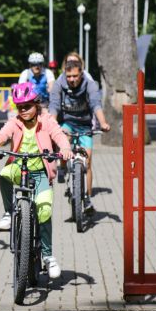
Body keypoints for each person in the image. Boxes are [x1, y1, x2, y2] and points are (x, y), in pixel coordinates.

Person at [0, 82, 72, 279]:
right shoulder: (15, 122)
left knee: (44, 210)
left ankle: (48, 256)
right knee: (4, 174)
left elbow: (59, 135)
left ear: (36, 104)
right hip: (19, 168)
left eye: (27, 106)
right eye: (19, 107)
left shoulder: (46, 120)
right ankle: (8, 212)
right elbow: (2, 135)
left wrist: (65, 148)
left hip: (40, 173)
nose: (23, 110)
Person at [48, 53, 110, 213]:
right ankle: (62, 166)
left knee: (87, 163)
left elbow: (96, 104)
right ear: (65, 74)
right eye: (69, 76)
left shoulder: (90, 84)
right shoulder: (59, 84)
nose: (72, 79)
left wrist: (103, 123)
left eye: (75, 76)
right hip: (67, 123)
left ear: (81, 73)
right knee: (64, 139)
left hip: (84, 126)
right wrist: (52, 124)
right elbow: (54, 106)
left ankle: (87, 199)